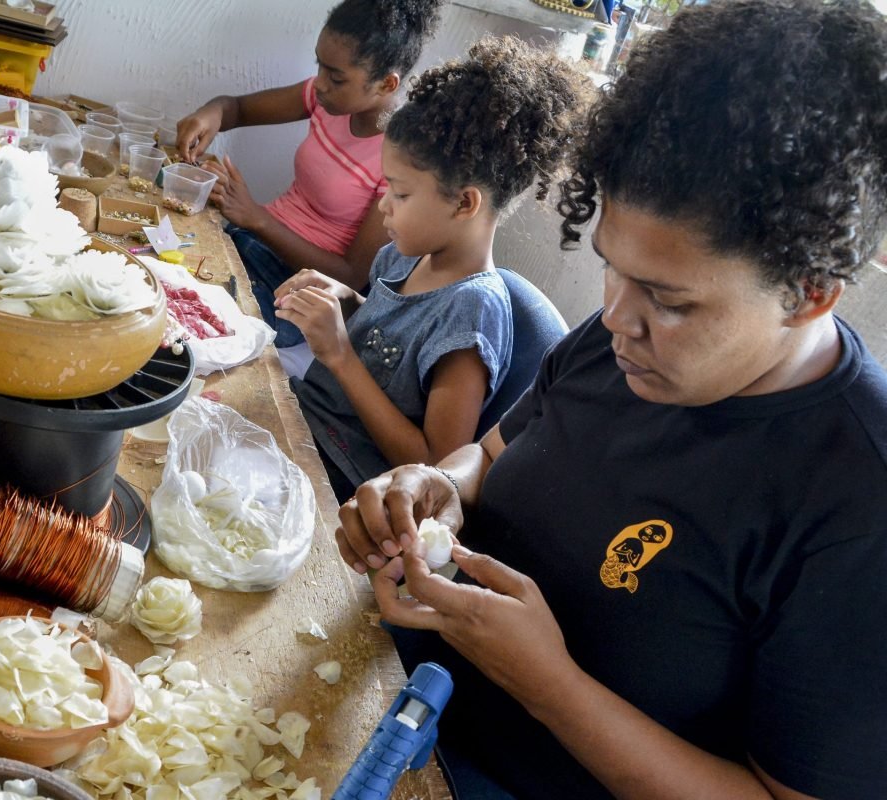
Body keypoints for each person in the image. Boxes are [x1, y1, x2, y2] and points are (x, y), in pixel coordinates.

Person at [333, 1, 887, 798]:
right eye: (611, 267)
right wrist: (437, 486)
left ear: (809, 295)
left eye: (670, 301)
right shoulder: (616, 337)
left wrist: (551, 687)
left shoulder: (856, 504)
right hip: (398, 700)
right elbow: (490, 457)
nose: (618, 317)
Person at [273, 37, 588, 503]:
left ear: (464, 203)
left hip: (342, 482)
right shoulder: (405, 254)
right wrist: (345, 299)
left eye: (400, 194)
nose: (384, 205)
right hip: (301, 423)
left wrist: (340, 354)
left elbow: (433, 466)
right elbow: (394, 339)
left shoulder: (472, 313)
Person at [176, 0, 444, 347]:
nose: (320, 84)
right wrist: (209, 114)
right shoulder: (326, 99)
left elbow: (351, 276)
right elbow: (236, 108)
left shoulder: (400, 159)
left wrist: (256, 217)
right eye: (320, 66)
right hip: (248, 241)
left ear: (386, 84)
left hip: (294, 289)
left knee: (196, 325)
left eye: (336, 77)